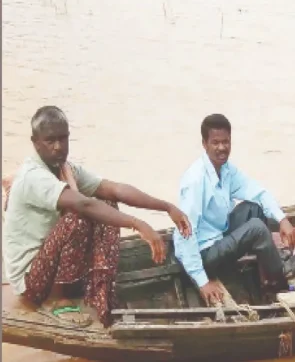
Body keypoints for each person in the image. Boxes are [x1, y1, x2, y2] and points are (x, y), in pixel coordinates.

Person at [2, 106, 189, 328]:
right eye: (50, 141)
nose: (58, 146)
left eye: (62, 139)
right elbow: (83, 204)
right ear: (35, 143)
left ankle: (99, 287)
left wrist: (166, 206)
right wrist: (137, 224)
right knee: (79, 215)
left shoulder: (65, 169)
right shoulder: (33, 176)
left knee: (107, 204)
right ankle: (56, 299)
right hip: (31, 280)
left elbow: (114, 190)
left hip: (51, 265)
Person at [173, 114, 295, 306]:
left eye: (226, 142)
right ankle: (278, 283)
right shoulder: (196, 180)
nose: (222, 147)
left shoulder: (226, 169)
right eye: (215, 143)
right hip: (205, 255)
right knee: (257, 228)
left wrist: (282, 219)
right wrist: (202, 281)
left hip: (219, 235)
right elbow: (185, 234)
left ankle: (263, 267)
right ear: (204, 144)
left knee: (255, 209)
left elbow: (257, 192)